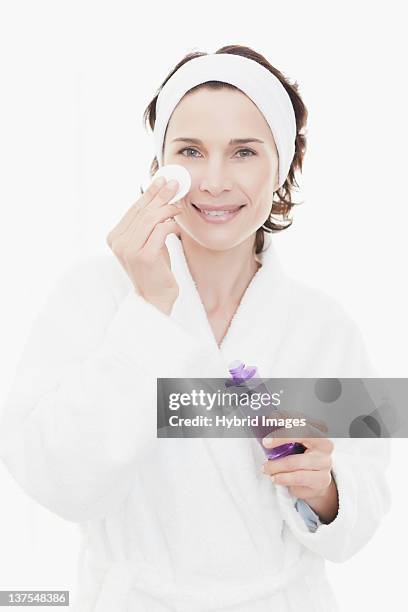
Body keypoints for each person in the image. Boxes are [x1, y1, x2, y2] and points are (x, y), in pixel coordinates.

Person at [0, 45, 391, 612]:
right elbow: (56, 481)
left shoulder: (327, 325)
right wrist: (150, 311)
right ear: (161, 165)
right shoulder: (90, 295)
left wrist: (326, 490)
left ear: (282, 167)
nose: (213, 180)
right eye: (190, 150)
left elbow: (370, 504)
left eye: (243, 152)